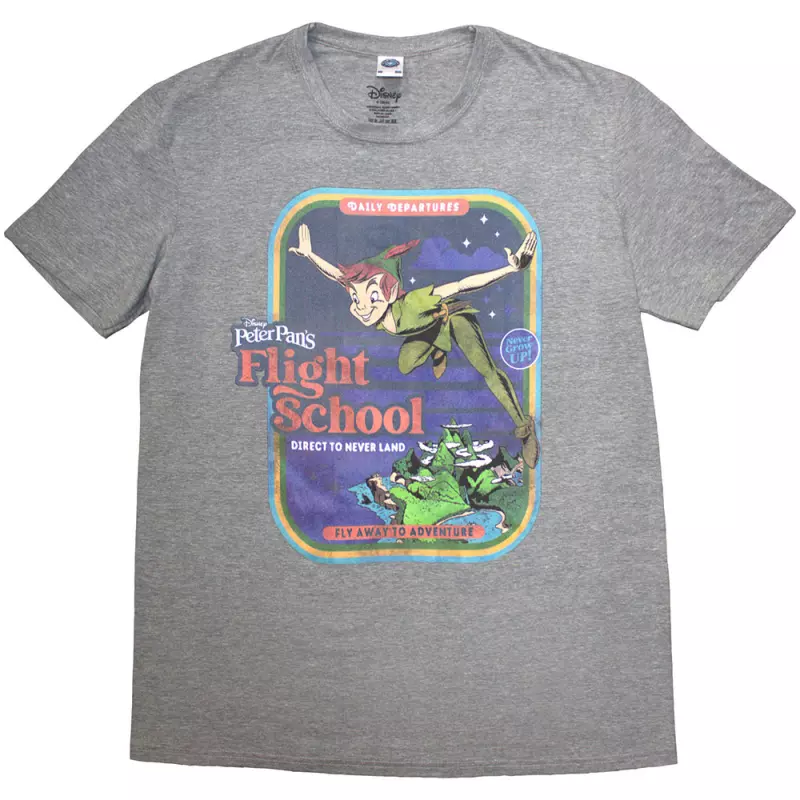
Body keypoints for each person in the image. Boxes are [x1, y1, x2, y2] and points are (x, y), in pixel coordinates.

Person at [289, 224, 540, 467]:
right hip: (429, 328)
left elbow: (462, 285)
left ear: (390, 292)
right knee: (405, 364)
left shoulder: (413, 304)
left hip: (452, 317)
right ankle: (438, 345)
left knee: (487, 371)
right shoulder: (375, 310)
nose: (361, 306)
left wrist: (510, 269)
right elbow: (338, 276)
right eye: (356, 298)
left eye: (372, 296)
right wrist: (310, 255)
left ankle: (524, 427)